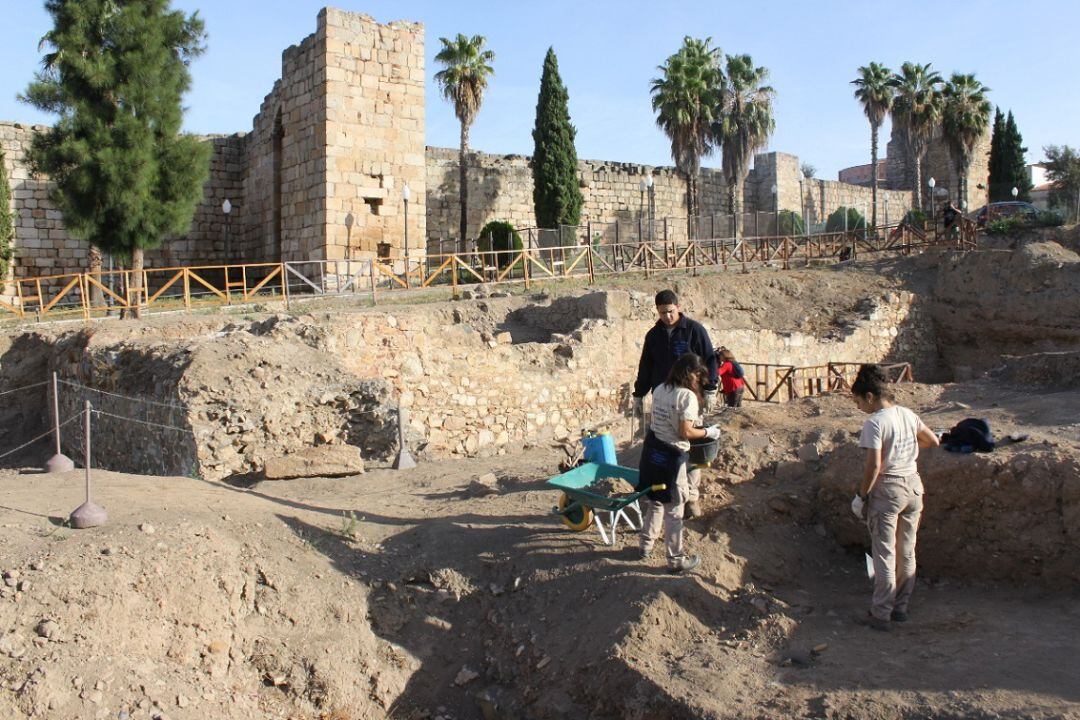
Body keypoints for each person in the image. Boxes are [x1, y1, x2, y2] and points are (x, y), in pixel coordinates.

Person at [849, 364, 939, 631]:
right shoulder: (907, 415)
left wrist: (861, 496)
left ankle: (881, 613)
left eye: (858, 402)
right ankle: (901, 608)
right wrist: (906, 449)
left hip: (888, 490)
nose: (858, 408)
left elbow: (874, 466)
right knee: (906, 550)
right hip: (913, 486)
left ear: (869, 396)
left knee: (884, 554)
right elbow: (932, 440)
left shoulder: (875, 422)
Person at [632, 289, 718, 519]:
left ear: (678, 307)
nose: (667, 317)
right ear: (657, 311)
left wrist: (710, 388)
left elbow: (710, 358)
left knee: (689, 444)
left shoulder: (693, 331)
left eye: (670, 312)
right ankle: (665, 489)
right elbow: (646, 367)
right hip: (662, 397)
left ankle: (691, 497)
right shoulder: (653, 336)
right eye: (662, 313)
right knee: (663, 445)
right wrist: (638, 394)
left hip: (690, 397)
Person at [638, 353, 719, 573]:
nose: (699, 381)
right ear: (691, 374)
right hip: (673, 457)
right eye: (698, 376)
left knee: (655, 499)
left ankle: (645, 545)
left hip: (653, 451)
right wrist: (707, 431)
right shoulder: (687, 397)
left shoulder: (661, 388)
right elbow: (686, 431)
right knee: (675, 508)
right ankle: (676, 560)